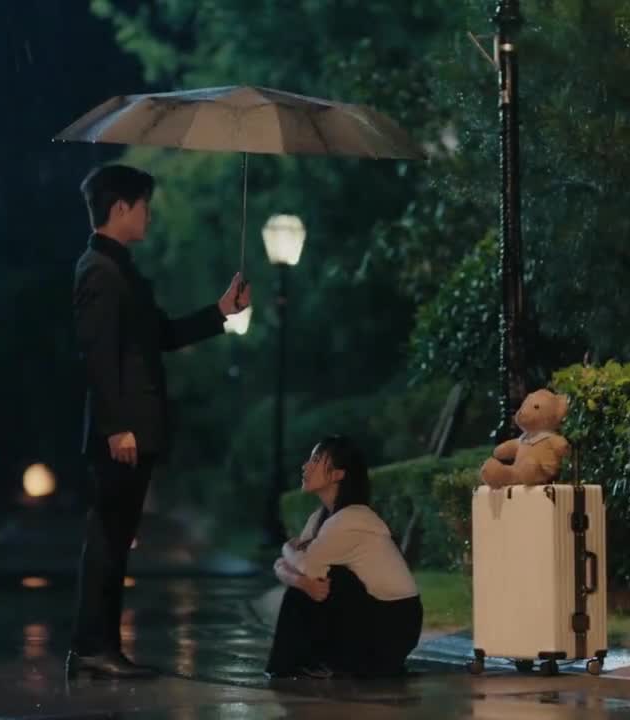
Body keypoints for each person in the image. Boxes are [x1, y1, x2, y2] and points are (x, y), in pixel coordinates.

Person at [67, 164, 250, 679]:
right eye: (144, 205)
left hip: (134, 427)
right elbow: (98, 355)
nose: (150, 214)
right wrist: (116, 426)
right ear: (120, 207)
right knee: (108, 538)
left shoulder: (120, 269)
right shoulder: (99, 271)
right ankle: (92, 648)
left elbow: (160, 336)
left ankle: (99, 648)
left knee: (117, 538)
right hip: (121, 431)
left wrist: (221, 311)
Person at [266, 436, 424, 679]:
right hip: (373, 617)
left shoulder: (351, 519)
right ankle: (299, 665)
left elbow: (305, 565)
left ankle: (289, 667)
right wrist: (301, 581)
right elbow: (295, 568)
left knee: (333, 578)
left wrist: (288, 550)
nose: (306, 466)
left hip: (394, 627)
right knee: (316, 582)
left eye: (316, 460)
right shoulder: (320, 517)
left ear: (338, 474)